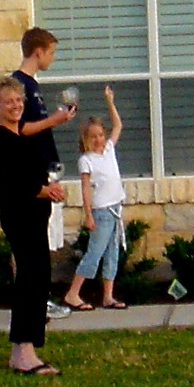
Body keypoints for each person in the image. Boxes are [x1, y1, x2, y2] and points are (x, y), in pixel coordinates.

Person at [0, 75, 66, 373]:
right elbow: (14, 184)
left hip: (35, 217)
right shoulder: (1, 140)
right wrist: (45, 191)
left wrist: (49, 188)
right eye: (8, 101)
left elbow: (33, 174)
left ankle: (25, 349)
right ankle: (23, 352)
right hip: (20, 217)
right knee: (30, 281)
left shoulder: (20, 135)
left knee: (38, 279)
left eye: (19, 100)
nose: (16, 105)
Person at [12, 26, 77, 320]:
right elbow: (22, 129)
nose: (52, 58)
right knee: (30, 246)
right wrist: (56, 119)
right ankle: (33, 304)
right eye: (51, 52)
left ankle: (38, 301)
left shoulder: (33, 86)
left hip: (45, 171)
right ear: (38, 52)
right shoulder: (19, 85)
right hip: (32, 176)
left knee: (42, 241)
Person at [61, 86, 129, 311]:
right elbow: (85, 190)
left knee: (112, 254)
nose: (99, 139)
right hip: (101, 212)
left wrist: (110, 101)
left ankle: (108, 296)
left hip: (115, 209)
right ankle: (73, 294)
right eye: (93, 136)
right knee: (95, 253)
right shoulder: (86, 160)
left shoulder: (109, 149)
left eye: (101, 135)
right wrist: (88, 215)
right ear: (86, 139)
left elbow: (118, 126)